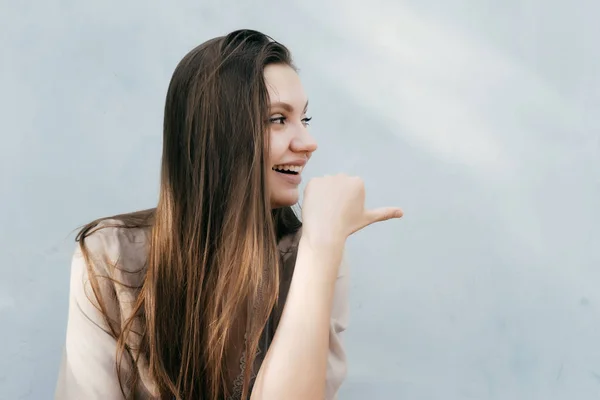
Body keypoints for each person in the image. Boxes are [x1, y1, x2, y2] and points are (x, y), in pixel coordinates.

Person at [55, 29, 402, 400]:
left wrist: (321, 248)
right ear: (218, 134)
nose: (308, 143)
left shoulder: (314, 252)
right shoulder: (112, 256)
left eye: (305, 118)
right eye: (277, 119)